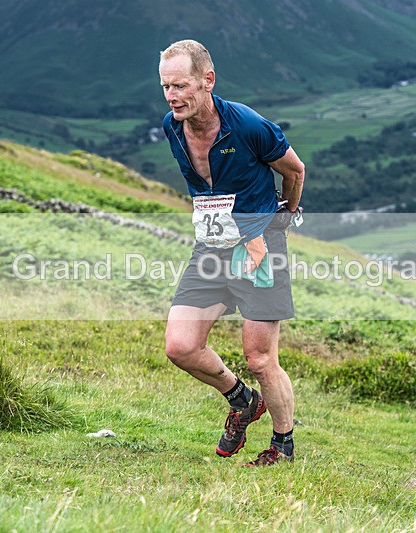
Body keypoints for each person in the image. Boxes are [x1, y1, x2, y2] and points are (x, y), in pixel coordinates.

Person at [159, 40, 305, 467]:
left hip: (259, 249)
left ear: (208, 80)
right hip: (212, 246)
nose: (172, 97)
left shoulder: (248, 125)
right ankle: (242, 401)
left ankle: (282, 446)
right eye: (166, 87)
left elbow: (295, 171)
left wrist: (282, 218)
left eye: (180, 86)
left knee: (260, 358)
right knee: (181, 346)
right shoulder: (172, 126)